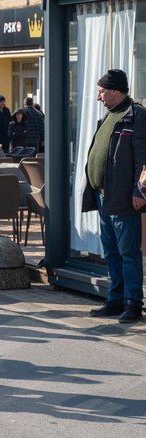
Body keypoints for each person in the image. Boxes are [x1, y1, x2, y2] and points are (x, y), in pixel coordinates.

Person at [84, 69, 145, 323]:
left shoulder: (136, 116)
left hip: (123, 198)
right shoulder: (109, 116)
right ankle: (115, 299)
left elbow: (144, 159)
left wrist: (139, 191)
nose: (99, 97)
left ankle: (133, 303)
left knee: (128, 252)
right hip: (103, 196)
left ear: (115, 92)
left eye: (101, 91)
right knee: (111, 251)